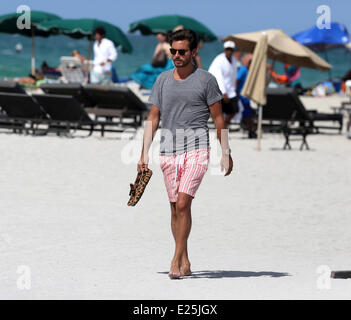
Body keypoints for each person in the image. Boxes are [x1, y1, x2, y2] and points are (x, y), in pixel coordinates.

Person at [138, 29, 233, 279]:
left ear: (194, 52)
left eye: (182, 52)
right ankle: (186, 258)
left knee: (183, 203)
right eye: (173, 51)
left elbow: (218, 118)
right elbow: (153, 118)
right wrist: (143, 154)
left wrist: (225, 152)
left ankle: (176, 258)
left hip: (197, 148)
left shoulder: (206, 80)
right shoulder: (162, 80)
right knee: (174, 209)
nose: (177, 56)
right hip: (168, 150)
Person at [208, 40, 239, 128]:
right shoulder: (219, 60)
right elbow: (218, 76)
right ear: (224, 50)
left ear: (233, 50)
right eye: (227, 49)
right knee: (219, 114)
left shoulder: (234, 60)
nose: (229, 51)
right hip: (218, 90)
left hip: (230, 91)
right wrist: (223, 92)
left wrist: (234, 89)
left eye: (231, 49)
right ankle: (221, 131)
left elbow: (233, 76)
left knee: (234, 110)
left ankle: (223, 127)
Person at [236, 54, 256, 138]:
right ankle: (251, 131)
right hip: (242, 96)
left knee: (248, 115)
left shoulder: (250, 71)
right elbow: (236, 80)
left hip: (246, 97)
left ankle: (251, 131)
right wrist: (235, 92)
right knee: (247, 116)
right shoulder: (244, 69)